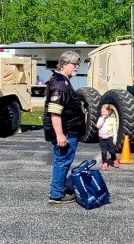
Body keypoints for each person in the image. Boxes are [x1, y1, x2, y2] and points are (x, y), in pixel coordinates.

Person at [43, 51, 85, 204]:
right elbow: (55, 111)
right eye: (74, 64)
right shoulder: (60, 83)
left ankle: (59, 189)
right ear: (64, 64)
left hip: (69, 130)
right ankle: (57, 194)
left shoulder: (61, 80)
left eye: (78, 64)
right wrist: (60, 134)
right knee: (62, 161)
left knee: (64, 161)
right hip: (66, 132)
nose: (77, 67)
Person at [96, 104, 119, 170]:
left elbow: (114, 130)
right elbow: (98, 126)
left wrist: (115, 138)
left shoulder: (112, 119)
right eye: (102, 112)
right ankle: (105, 163)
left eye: (105, 112)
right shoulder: (100, 118)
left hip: (109, 137)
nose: (103, 113)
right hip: (101, 138)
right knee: (104, 151)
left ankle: (114, 160)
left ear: (109, 112)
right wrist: (102, 119)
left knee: (112, 151)